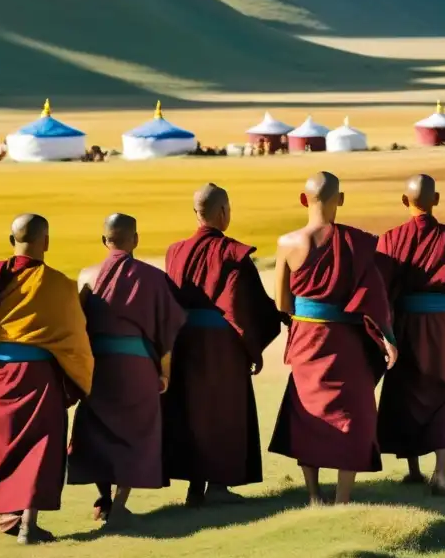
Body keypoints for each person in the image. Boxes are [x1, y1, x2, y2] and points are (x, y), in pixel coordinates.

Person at [0, 214, 94, 544]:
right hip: (39, 376)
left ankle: (9, 514)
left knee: (1, 443)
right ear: (46, 242)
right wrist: (76, 379)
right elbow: (76, 339)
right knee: (40, 446)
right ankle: (27, 523)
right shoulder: (60, 285)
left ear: (11, 240)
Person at [269, 172, 398, 505]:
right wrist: (386, 336)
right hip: (347, 342)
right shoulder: (360, 242)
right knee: (352, 414)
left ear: (303, 199)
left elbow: (281, 302)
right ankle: (343, 498)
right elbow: (374, 296)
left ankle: (313, 495)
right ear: (339, 200)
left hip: (306, 339)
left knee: (305, 410)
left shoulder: (287, 243)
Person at [164, 184, 283, 508]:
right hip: (222, 345)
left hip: (185, 342)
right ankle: (217, 486)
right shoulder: (234, 254)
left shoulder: (174, 251)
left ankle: (193, 487)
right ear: (223, 212)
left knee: (191, 412)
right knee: (222, 413)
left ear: (196, 213)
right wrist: (259, 339)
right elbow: (247, 304)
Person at [68, 214, 186, 526]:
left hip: (98, 369)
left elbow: (76, 326)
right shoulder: (154, 277)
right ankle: (119, 503)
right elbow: (168, 331)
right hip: (137, 368)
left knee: (96, 433)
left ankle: (104, 499)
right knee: (137, 435)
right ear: (135, 239)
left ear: (104, 240)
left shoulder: (87, 276)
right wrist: (165, 373)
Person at [375, 174, 445, 495]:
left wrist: (385, 330)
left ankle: (413, 470)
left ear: (404, 200)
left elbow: (381, 290)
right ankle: (440, 474)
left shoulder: (391, 239)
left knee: (405, 389)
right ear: (435, 199)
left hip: (406, 324)